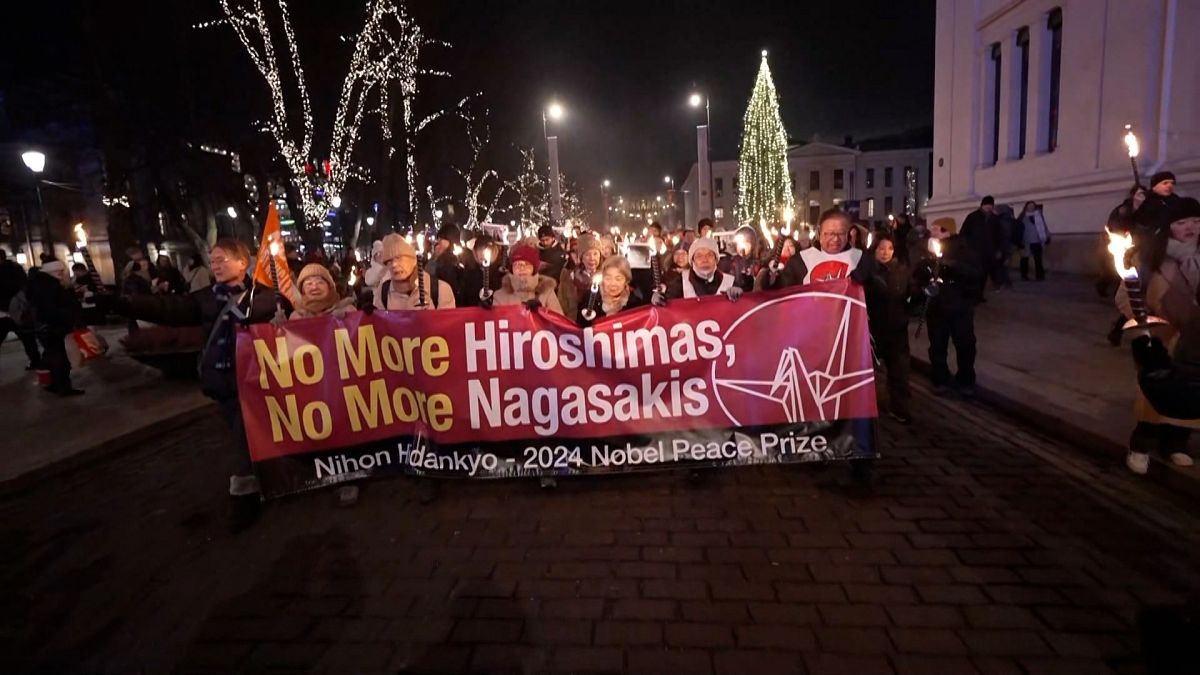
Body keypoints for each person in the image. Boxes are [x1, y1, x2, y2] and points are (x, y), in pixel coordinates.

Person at [113, 239, 283, 529]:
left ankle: (244, 496)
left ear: (243, 264)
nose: (215, 264)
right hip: (222, 379)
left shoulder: (264, 297)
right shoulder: (204, 298)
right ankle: (266, 477)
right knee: (244, 433)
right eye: (212, 260)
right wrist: (127, 304)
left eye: (222, 259)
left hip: (255, 378)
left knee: (245, 431)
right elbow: (169, 308)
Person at [1118, 197, 1200, 474]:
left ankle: (1175, 445)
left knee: (1189, 395)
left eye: (1196, 221)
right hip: (1161, 337)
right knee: (1155, 395)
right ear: (1169, 227)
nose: (1190, 227)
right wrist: (1143, 320)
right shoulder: (1151, 256)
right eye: (1181, 222)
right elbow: (1126, 295)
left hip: (1195, 340)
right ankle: (1141, 445)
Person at [917, 217, 983, 395]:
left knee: (965, 344)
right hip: (937, 306)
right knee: (937, 344)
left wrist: (951, 266)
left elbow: (976, 274)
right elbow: (918, 274)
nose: (933, 232)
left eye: (937, 229)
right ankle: (940, 378)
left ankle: (966, 379)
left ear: (948, 231)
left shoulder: (964, 251)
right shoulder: (928, 249)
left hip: (959, 305)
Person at [864, 234, 914, 423]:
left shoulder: (901, 271)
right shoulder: (867, 272)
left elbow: (911, 295)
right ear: (875, 250)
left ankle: (899, 407)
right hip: (872, 329)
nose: (885, 252)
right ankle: (862, 407)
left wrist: (925, 291)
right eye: (881, 248)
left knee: (899, 372)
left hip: (896, 329)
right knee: (866, 372)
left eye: (889, 248)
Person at [771, 209, 872, 288]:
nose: (836, 239)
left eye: (841, 233)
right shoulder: (800, 261)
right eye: (830, 234)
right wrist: (770, 279)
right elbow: (783, 293)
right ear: (819, 233)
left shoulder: (861, 260)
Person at [26, 260, 83, 396]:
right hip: (53, 327)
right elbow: (53, 308)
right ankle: (63, 387)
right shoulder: (50, 285)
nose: (62, 274)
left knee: (51, 356)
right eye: (60, 271)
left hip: (44, 327)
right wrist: (67, 317)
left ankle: (53, 383)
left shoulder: (39, 283)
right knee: (60, 358)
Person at [373, 233, 455, 311]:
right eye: (389, 261)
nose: (394, 265)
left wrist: (430, 315)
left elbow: (449, 324)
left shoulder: (440, 290)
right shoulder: (382, 293)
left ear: (413, 260)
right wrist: (370, 317)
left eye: (399, 258)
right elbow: (379, 325)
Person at [665, 237, 743, 302]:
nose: (704, 259)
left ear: (716, 259)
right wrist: (660, 299)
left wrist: (740, 295)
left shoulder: (730, 282)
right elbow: (668, 307)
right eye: (699, 256)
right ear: (692, 260)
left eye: (709, 255)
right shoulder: (680, 282)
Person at [492, 243, 564, 314]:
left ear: (534, 268)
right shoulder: (500, 296)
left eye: (526, 264)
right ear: (512, 269)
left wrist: (541, 312)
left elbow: (558, 320)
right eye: (517, 265)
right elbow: (496, 321)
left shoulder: (546, 293)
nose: (521, 268)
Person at [0, 249, 41, 369]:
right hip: (19, 310)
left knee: (27, 337)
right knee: (28, 338)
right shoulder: (16, 268)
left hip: (6, 311)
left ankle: (36, 361)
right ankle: (36, 361)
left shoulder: (7, 271)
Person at [577, 255, 645, 327]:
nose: (613, 284)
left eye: (618, 279)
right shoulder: (590, 299)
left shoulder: (634, 304)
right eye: (608, 278)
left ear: (626, 281)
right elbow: (580, 329)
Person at [960, 196, 999, 299]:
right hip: (975, 250)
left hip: (988, 251)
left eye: (990, 206)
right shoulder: (972, 217)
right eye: (987, 205)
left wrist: (997, 249)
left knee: (984, 274)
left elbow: (998, 235)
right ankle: (972, 294)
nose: (989, 208)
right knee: (974, 274)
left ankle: (979, 295)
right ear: (982, 205)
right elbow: (964, 232)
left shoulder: (994, 218)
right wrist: (965, 246)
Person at [558, 234, 602, 321]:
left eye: (595, 253)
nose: (592, 258)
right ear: (581, 258)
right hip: (575, 326)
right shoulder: (570, 277)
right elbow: (562, 304)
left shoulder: (607, 276)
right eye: (587, 254)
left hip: (600, 327)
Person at [429, 223, 466, 308]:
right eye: (438, 238)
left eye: (441, 239)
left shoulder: (454, 261)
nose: (438, 242)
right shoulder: (438, 259)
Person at [1015, 201, 1051, 281]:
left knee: (1038, 259)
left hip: (1037, 240)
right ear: (1026, 207)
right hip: (1026, 241)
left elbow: (1044, 226)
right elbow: (1017, 229)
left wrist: (1047, 236)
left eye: (1032, 206)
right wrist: (1019, 241)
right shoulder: (1022, 217)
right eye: (1029, 206)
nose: (1031, 207)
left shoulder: (1039, 215)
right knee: (1024, 259)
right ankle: (1024, 275)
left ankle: (1040, 276)